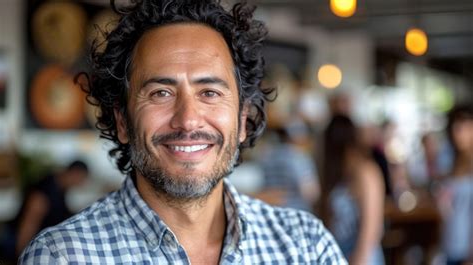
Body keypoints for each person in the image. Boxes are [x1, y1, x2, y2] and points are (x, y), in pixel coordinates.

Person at [20, 0, 347, 264]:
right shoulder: (63, 256)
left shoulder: (306, 246)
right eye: (161, 93)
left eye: (210, 93)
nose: (188, 120)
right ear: (122, 122)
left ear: (244, 118)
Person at [320, 115, 385, 265]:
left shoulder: (366, 172)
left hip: (362, 253)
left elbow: (372, 225)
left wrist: (360, 258)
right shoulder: (339, 175)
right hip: (339, 251)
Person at [12, 160, 88, 257]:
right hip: (28, 246)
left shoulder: (60, 188)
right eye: (81, 179)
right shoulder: (45, 189)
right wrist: (22, 256)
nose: (81, 184)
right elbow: (28, 225)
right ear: (75, 173)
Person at [435, 105, 473, 265]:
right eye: (455, 126)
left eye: (464, 126)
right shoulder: (450, 162)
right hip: (449, 246)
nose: (458, 132)